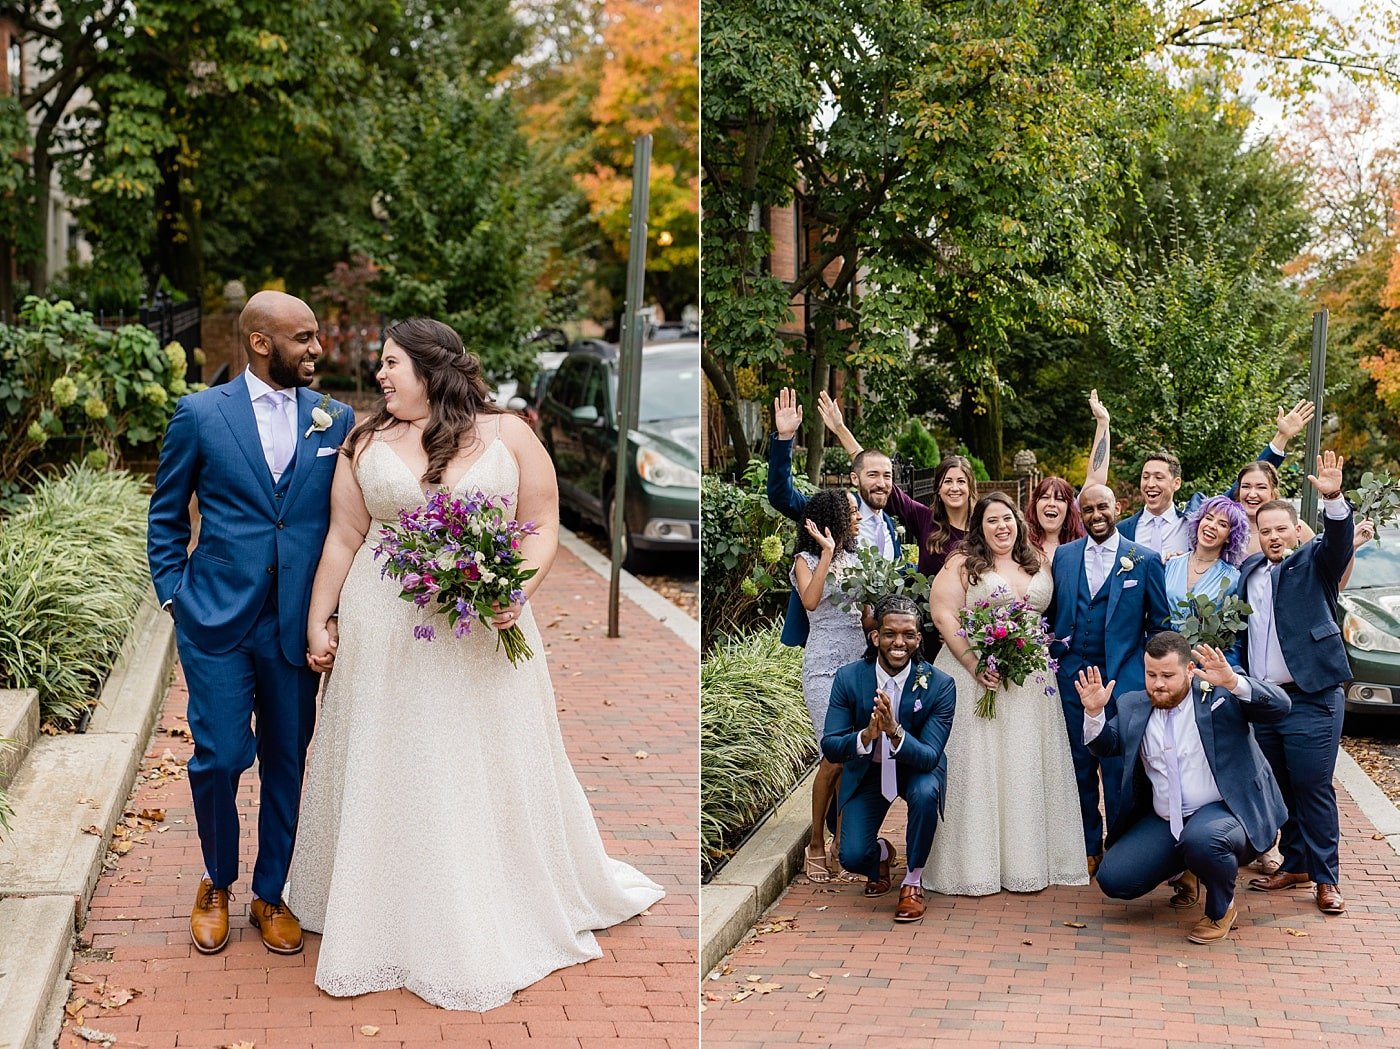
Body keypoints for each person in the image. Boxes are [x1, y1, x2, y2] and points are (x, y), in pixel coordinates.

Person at [284, 318, 663, 1010]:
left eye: (392, 362)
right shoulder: (364, 441)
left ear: (431, 367)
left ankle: (488, 893)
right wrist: (320, 615)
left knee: (475, 754)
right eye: (381, 365)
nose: (381, 375)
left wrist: (515, 587)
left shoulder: (510, 432)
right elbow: (345, 533)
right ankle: (383, 898)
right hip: (384, 625)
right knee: (393, 752)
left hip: (481, 628)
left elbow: (542, 522)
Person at [147, 291, 356, 955]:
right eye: (304, 338)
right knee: (219, 756)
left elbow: (349, 522)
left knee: (286, 759)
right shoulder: (201, 415)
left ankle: (271, 893)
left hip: (296, 622)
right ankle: (216, 877)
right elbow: (166, 513)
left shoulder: (335, 419)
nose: (316, 349)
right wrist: (174, 594)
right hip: (216, 619)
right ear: (262, 343)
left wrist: (334, 612)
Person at [922, 493, 1087, 896]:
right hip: (975, 674)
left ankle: (1028, 861)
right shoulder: (962, 564)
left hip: (1031, 682)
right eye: (992, 520)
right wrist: (974, 663)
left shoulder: (1038, 561)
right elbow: (943, 614)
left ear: (1019, 523)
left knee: (1024, 764)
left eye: (1008, 519)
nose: (1002, 527)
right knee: (980, 768)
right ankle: (974, 865)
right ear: (980, 527)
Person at [1075, 634, 1289, 944]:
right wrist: (1094, 714)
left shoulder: (1217, 695)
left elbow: (1281, 706)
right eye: (1151, 675)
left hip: (1227, 814)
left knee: (1204, 838)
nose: (1158, 684)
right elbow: (1107, 745)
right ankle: (1187, 869)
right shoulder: (1134, 704)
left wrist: (1234, 682)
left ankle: (1220, 911)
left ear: (1189, 670)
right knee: (1114, 880)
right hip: (1167, 820)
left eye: (1167, 675)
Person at [1231, 452, 1354, 916]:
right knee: (1281, 786)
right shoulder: (1248, 574)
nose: (1273, 536)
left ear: (1296, 529)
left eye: (1281, 528)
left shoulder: (1313, 563)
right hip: (1266, 699)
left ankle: (1326, 878)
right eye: (1265, 531)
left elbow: (1338, 542)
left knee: (1313, 785)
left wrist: (1334, 499)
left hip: (1312, 695)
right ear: (1257, 536)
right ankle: (1298, 862)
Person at [1048, 484, 1171, 874]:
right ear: (1079, 514)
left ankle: (1119, 844)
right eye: (1088, 509)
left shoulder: (1144, 559)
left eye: (1103, 507)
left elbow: (1160, 625)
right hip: (1071, 677)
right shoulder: (1064, 557)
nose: (1096, 514)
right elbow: (1053, 616)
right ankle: (1088, 844)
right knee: (1079, 764)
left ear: (1117, 508)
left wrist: (1143, 674)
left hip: (1122, 681)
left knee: (1119, 770)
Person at [822, 596, 956, 923]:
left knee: (925, 793)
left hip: (915, 768)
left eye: (908, 634)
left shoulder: (940, 685)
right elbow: (831, 745)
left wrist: (895, 731)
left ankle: (912, 881)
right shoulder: (849, 678)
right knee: (850, 856)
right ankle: (881, 854)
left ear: (919, 638)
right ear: (875, 637)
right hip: (868, 770)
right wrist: (867, 735)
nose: (899, 642)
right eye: (890, 634)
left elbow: (928, 757)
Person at [766, 388, 901, 647]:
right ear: (855, 478)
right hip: (829, 640)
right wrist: (785, 438)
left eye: (887, 476)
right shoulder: (829, 514)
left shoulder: (890, 525)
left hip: (877, 641)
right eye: (872, 475)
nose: (881, 483)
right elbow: (781, 496)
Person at [1116, 400, 1315, 557]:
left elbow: (1243, 485)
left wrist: (1281, 438)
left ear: (1176, 483)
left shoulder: (1194, 519)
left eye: (1159, 477)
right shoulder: (1123, 530)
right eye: (1145, 477)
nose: (1151, 484)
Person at [791, 488, 869, 883]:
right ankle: (816, 844)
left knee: (855, 759)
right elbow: (810, 600)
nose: (858, 518)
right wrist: (825, 553)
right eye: (852, 512)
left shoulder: (858, 560)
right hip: (823, 668)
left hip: (858, 666)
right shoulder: (804, 560)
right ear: (832, 518)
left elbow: (867, 617)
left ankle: (844, 846)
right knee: (834, 756)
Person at [1025, 389, 1112, 560]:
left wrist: (1103, 423)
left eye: (1059, 499)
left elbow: (1095, 479)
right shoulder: (1021, 543)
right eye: (1045, 497)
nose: (1051, 504)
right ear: (1035, 504)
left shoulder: (1079, 543)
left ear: (1070, 508)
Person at [1164, 496, 1250, 624]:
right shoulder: (1170, 564)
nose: (1212, 526)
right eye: (1209, 518)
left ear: (1229, 537)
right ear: (1199, 522)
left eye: (1222, 524)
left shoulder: (1233, 579)